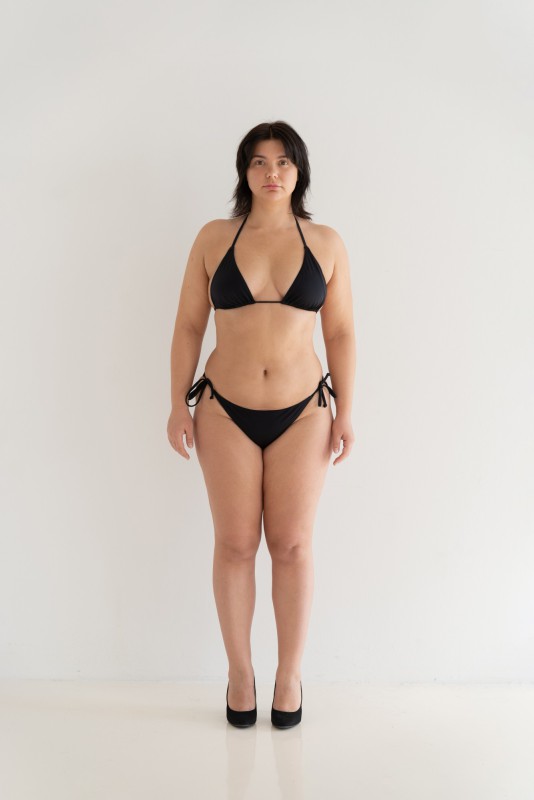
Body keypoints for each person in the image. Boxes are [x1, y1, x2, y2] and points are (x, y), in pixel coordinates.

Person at [167, 121, 356, 728]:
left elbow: (340, 331)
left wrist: (347, 410)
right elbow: (189, 325)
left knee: (292, 545)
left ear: (299, 172)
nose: (271, 172)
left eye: (283, 161)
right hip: (225, 407)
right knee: (235, 544)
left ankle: (290, 676)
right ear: (243, 172)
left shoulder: (325, 242)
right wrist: (176, 403)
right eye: (258, 162)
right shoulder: (214, 237)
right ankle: (240, 674)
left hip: (305, 411)